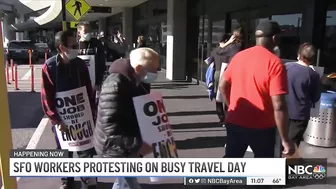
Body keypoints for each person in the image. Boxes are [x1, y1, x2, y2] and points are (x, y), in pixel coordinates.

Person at [219, 20, 295, 160]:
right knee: (262, 165)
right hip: (262, 127)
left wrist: (231, 105)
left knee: (231, 160)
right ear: (274, 38)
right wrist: (285, 139)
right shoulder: (275, 63)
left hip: (235, 122)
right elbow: (279, 105)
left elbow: (222, 85)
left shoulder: (239, 57)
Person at [93, 48, 159, 189]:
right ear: (138, 68)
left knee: (125, 180)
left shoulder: (140, 79)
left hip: (126, 143)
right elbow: (110, 128)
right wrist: (137, 143)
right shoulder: (115, 85)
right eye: (153, 70)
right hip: (115, 146)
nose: (156, 74)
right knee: (127, 180)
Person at [41, 30, 97, 189]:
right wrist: (56, 120)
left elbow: (88, 90)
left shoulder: (80, 64)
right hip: (62, 118)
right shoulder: (49, 67)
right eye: (73, 45)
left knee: (86, 148)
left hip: (82, 117)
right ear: (61, 48)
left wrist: (92, 112)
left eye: (77, 44)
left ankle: (88, 179)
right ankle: (67, 180)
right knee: (64, 150)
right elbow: (47, 96)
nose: (77, 48)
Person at [286, 43, 321, 147]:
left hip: (284, 111)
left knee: (281, 143)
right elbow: (316, 97)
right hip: (300, 115)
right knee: (293, 145)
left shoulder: (287, 67)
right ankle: (288, 163)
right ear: (312, 59)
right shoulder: (313, 75)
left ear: (299, 55)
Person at [211, 27, 244, 124]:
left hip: (224, 73)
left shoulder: (231, 47)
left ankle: (225, 117)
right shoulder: (241, 47)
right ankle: (228, 115)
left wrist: (228, 43)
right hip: (236, 73)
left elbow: (218, 52)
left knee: (221, 95)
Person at [77, 22, 107, 106]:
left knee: (94, 102)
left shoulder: (97, 44)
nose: (88, 33)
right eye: (85, 31)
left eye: (89, 31)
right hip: (79, 80)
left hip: (94, 79)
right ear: (79, 33)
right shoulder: (75, 45)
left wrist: (98, 81)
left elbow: (101, 63)